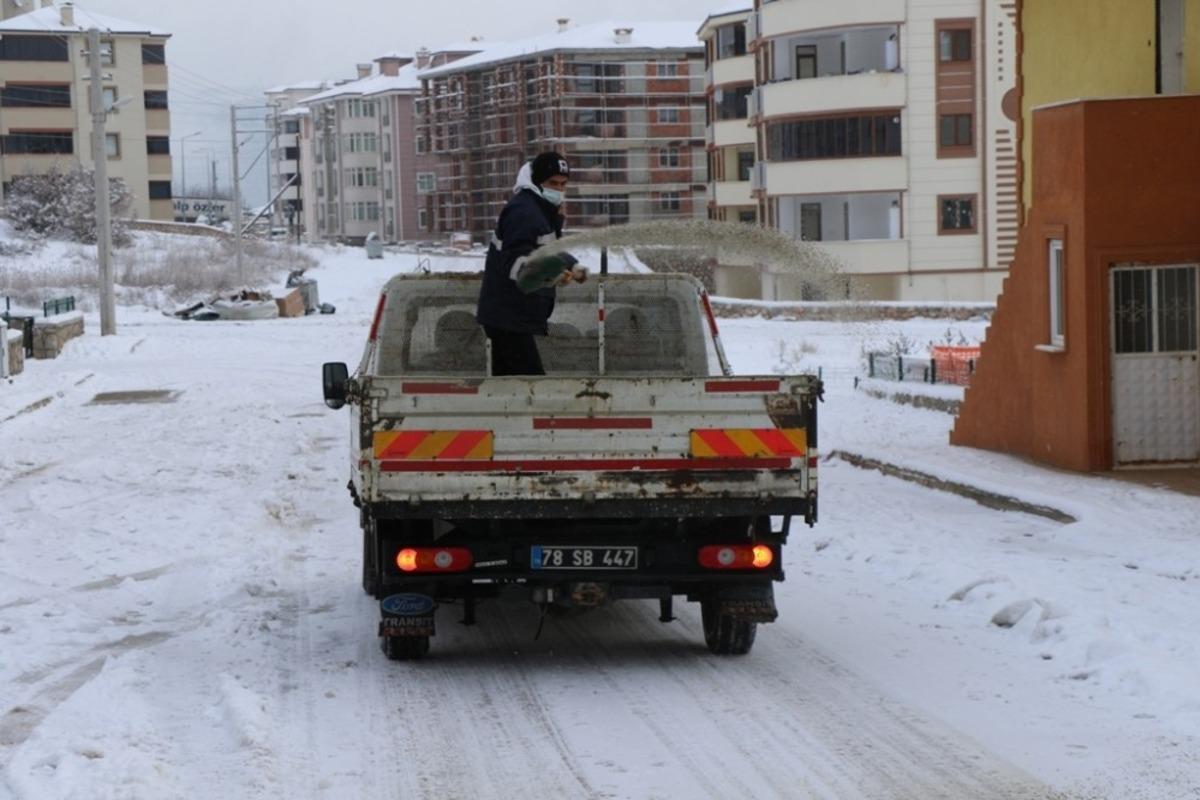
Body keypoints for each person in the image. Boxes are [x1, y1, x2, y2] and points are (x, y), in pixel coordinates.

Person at [476, 151, 578, 376]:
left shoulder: (539, 210)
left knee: (511, 389)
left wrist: (571, 265)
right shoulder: (524, 211)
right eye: (553, 183)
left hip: (513, 316)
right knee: (530, 386)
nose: (558, 190)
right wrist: (552, 275)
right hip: (509, 317)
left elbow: (545, 250)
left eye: (563, 184)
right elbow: (516, 263)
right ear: (537, 181)